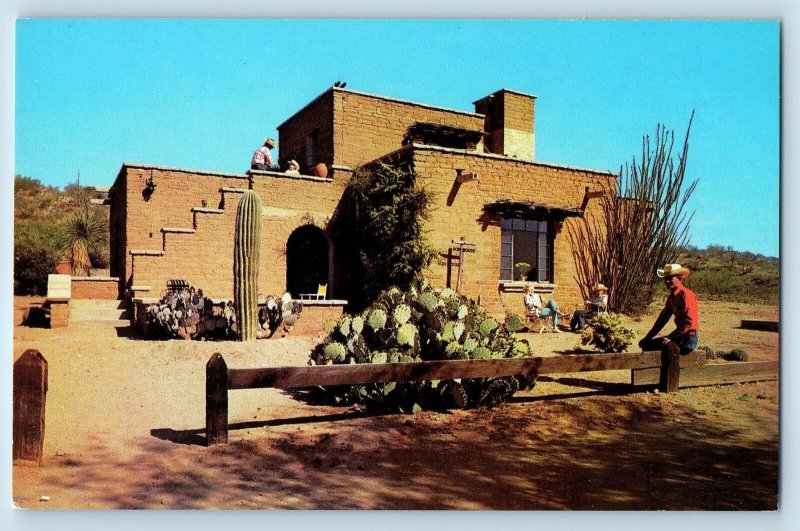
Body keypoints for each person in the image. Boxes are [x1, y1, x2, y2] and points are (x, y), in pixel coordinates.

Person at [638, 263, 700, 354]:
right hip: (681, 336)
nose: (667, 281)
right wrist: (647, 337)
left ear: (679, 278)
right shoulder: (672, 297)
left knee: (651, 347)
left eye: (670, 278)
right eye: (665, 279)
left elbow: (689, 323)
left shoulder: (686, 295)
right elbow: (662, 320)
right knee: (647, 344)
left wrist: (670, 337)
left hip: (688, 339)